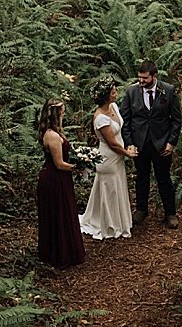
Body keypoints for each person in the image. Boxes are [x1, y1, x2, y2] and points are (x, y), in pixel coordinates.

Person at [119, 59, 182, 228]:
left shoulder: (168, 90)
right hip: (139, 144)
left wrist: (171, 142)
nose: (141, 81)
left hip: (161, 143)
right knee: (141, 177)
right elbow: (125, 120)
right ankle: (141, 210)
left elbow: (176, 120)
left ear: (154, 76)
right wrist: (129, 143)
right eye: (139, 77)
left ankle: (170, 213)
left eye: (145, 78)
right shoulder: (131, 91)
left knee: (164, 179)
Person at [80, 77, 137, 240]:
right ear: (105, 96)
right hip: (108, 158)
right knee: (110, 191)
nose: (116, 93)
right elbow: (112, 143)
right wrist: (127, 153)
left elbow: (121, 131)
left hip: (118, 157)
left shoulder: (113, 106)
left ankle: (120, 221)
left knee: (118, 187)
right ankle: (110, 224)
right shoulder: (100, 118)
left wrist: (128, 145)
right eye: (113, 92)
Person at [36, 98, 85, 268]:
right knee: (59, 212)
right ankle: (59, 254)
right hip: (54, 179)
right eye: (62, 111)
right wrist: (79, 167)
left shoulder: (55, 132)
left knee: (63, 211)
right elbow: (59, 164)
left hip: (60, 178)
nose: (64, 114)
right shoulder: (52, 136)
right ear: (57, 113)